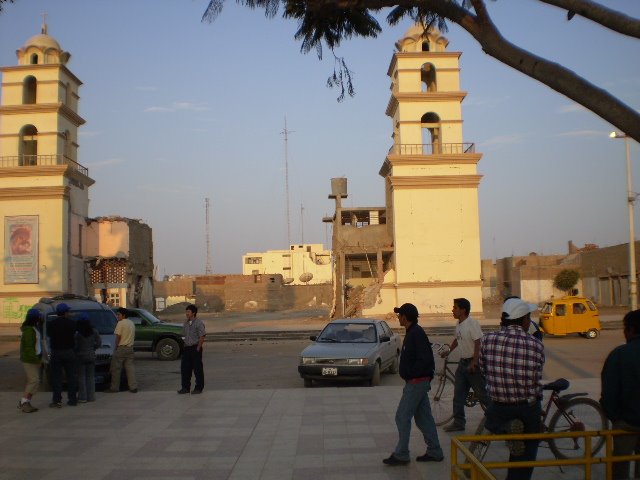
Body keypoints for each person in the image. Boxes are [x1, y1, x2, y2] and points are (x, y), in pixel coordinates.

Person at [479, 297, 545, 480]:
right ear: (524, 320)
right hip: (528, 407)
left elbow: (483, 371)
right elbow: (536, 377)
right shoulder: (536, 345)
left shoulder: (488, 340)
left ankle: (506, 427)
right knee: (528, 450)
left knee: (491, 424)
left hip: (499, 405)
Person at [383, 303, 443, 466]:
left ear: (405, 317)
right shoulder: (413, 332)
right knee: (424, 419)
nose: (398, 318)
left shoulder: (416, 333)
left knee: (402, 417)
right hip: (418, 382)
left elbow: (425, 359)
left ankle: (402, 453)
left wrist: (412, 375)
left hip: (416, 383)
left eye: (400, 315)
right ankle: (435, 451)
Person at [601, 309, 640, 479]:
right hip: (626, 419)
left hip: (625, 423)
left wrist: (616, 417)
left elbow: (608, 392)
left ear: (631, 330)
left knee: (620, 467)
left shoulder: (620, 354)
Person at [442, 297, 490, 432]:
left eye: (455, 307)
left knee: (483, 395)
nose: (453, 310)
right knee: (458, 395)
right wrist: (448, 351)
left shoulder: (472, 323)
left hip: (473, 365)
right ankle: (458, 422)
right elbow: (457, 339)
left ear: (463, 310)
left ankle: (498, 420)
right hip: (462, 364)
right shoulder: (459, 324)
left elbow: (478, 342)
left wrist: (475, 361)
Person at [48, 303, 79, 407]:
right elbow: (75, 335)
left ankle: (57, 400)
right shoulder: (72, 323)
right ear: (65, 312)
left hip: (56, 352)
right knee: (71, 377)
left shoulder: (52, 324)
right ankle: (72, 400)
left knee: (57, 377)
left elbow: (49, 335)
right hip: (69, 352)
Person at [105, 308, 138, 393]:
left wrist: (116, 347)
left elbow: (118, 337)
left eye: (119, 314)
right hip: (130, 348)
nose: (117, 316)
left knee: (116, 369)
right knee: (130, 368)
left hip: (121, 348)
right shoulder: (131, 323)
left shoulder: (120, 323)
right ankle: (133, 387)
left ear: (123, 315)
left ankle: (114, 388)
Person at [18, 308, 43, 413]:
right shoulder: (29, 330)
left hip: (34, 358)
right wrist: (36, 360)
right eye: (39, 316)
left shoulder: (34, 328)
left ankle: (26, 401)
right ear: (35, 318)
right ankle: (24, 402)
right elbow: (29, 348)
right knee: (34, 380)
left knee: (35, 381)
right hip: (30, 359)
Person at [178, 304, 206, 395]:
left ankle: (198, 388)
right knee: (185, 369)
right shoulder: (185, 323)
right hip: (187, 348)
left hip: (195, 348)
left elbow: (202, 336)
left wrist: (198, 347)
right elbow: (183, 335)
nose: (186, 314)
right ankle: (185, 387)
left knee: (197, 369)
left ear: (193, 313)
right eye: (186, 312)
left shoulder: (199, 323)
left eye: (188, 312)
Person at [75, 313, 101, 403]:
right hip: (91, 355)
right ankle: (91, 397)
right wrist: (93, 348)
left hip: (80, 356)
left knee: (81, 377)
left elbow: (75, 345)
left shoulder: (78, 333)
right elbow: (99, 343)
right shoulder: (94, 331)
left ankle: (82, 397)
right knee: (90, 377)